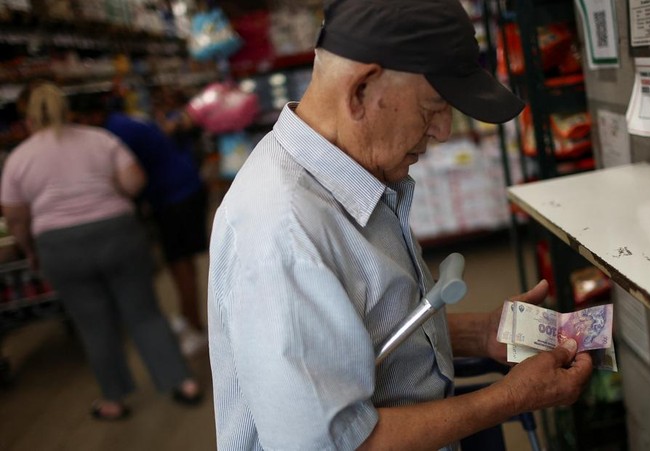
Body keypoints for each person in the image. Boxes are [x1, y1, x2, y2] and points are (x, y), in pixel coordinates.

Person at [206, 0, 593, 449]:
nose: (444, 131)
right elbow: (334, 445)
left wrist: (478, 334)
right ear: (361, 91)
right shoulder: (283, 235)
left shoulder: (349, 177)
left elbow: (360, 338)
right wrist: (510, 398)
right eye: (433, 108)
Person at [0, 83, 202, 421]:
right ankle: (182, 383)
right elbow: (134, 182)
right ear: (68, 111)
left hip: (59, 245)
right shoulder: (100, 139)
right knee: (145, 313)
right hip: (117, 233)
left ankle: (114, 399)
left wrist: (29, 248)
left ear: (29, 118)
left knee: (94, 324)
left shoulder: (19, 158)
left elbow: (15, 215)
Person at [102, 100, 209, 356]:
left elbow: (130, 176)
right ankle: (189, 318)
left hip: (174, 195)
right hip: (182, 186)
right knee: (180, 261)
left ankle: (195, 327)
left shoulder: (114, 132)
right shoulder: (125, 120)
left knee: (180, 261)